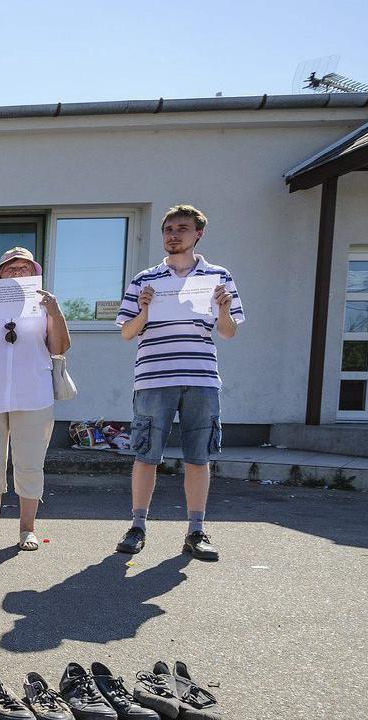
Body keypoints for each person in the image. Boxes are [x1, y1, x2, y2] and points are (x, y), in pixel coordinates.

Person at [115, 204, 243, 562]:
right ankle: (137, 526)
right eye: (168, 229)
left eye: (181, 228)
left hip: (201, 378)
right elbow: (127, 333)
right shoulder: (145, 279)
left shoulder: (218, 276)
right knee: (145, 454)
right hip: (153, 377)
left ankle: (196, 531)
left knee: (198, 456)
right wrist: (143, 310)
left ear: (198, 233)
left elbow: (229, 332)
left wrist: (222, 308)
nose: (173, 235)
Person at [0, 248, 69, 550]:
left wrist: (56, 312)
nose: (16, 273)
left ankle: (27, 529)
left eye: (23, 268)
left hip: (33, 395)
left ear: (33, 273)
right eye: (10, 268)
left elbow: (59, 348)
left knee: (29, 463)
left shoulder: (44, 305)